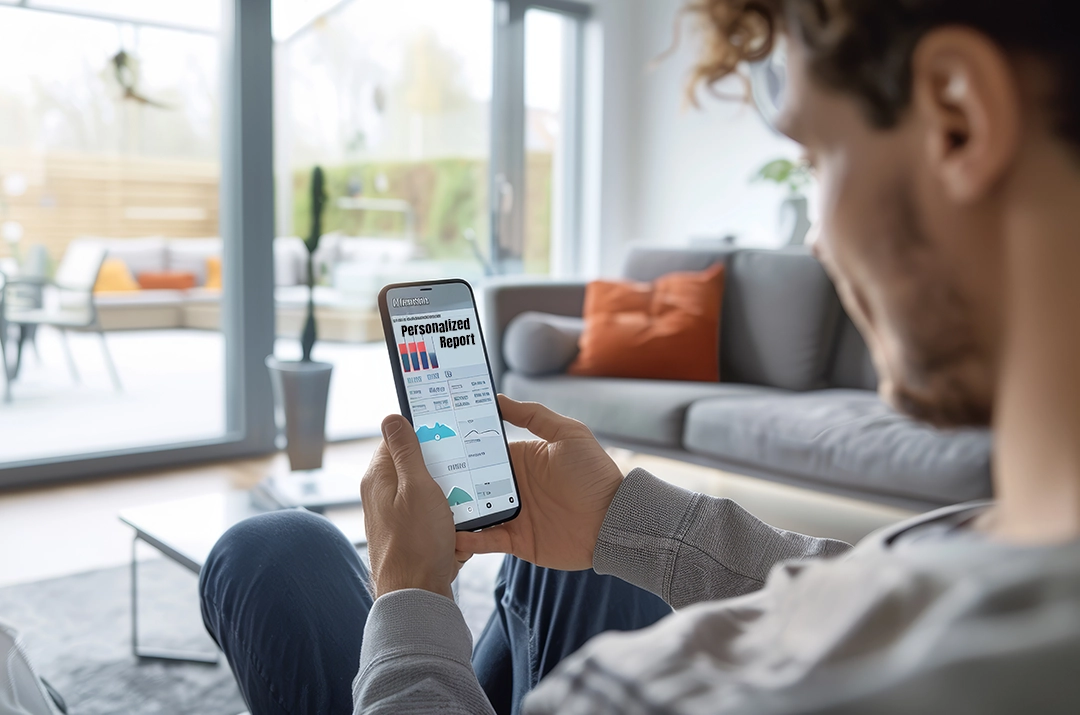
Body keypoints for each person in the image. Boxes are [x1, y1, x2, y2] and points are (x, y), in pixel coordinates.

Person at [199, 0, 1080, 711]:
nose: (814, 237)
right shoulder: (972, 548)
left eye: (814, 155)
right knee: (557, 571)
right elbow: (864, 588)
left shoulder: (655, 688)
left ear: (957, 115)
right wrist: (630, 517)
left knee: (271, 552)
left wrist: (410, 597)